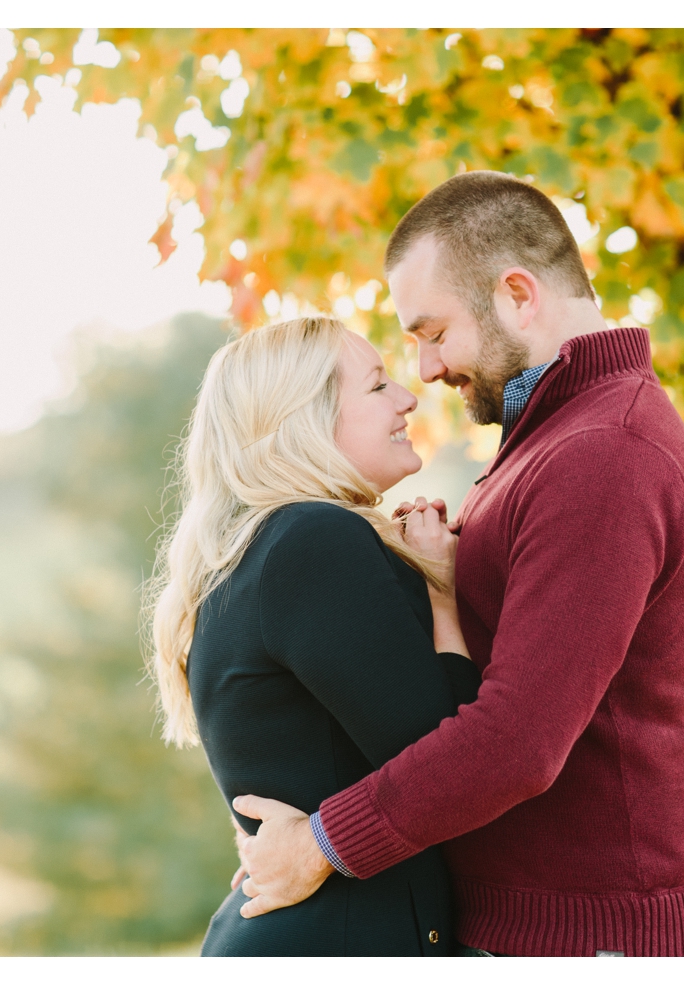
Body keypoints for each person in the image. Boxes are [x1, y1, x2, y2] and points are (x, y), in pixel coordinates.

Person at [231, 171, 684, 957]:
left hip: (590, 943)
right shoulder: (551, 436)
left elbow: (519, 739)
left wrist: (323, 842)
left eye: (432, 332)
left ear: (518, 294)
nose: (425, 370)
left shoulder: (604, 452)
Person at [148, 316, 478, 955]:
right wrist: (443, 593)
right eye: (379, 386)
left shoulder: (254, 552)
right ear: (309, 418)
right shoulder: (313, 540)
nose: (408, 398)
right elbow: (446, 761)